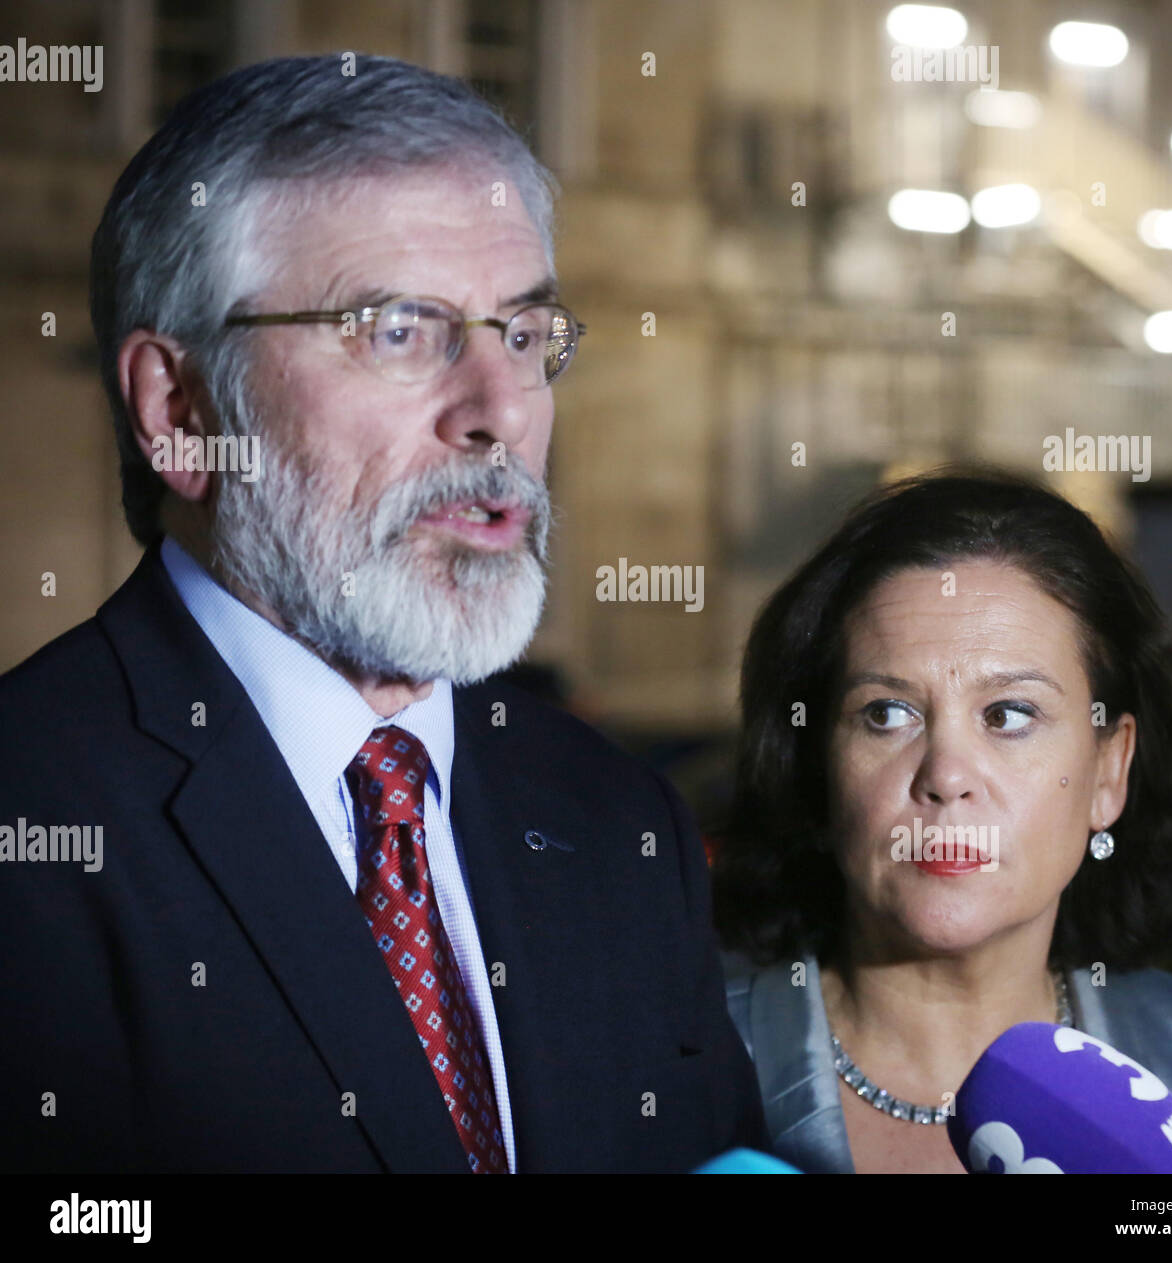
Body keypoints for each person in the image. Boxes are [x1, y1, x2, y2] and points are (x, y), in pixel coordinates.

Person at [0, 55, 765, 1174]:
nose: (501, 413)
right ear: (181, 409)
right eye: (400, 332)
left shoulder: (617, 826)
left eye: (523, 334)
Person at [714, 470, 1172, 1174]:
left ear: (1109, 772)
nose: (946, 776)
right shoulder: (658, 1077)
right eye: (886, 713)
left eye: (1010, 714)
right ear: (820, 763)